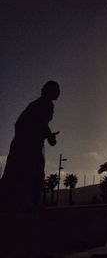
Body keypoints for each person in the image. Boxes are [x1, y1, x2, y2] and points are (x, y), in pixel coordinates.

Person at [0, 81, 60, 211]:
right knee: (31, 171)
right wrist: (48, 135)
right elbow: (39, 121)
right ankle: (27, 201)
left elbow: (35, 123)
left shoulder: (37, 105)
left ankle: (27, 201)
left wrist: (46, 135)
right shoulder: (44, 104)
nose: (58, 93)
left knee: (26, 171)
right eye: (56, 89)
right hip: (28, 143)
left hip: (28, 142)